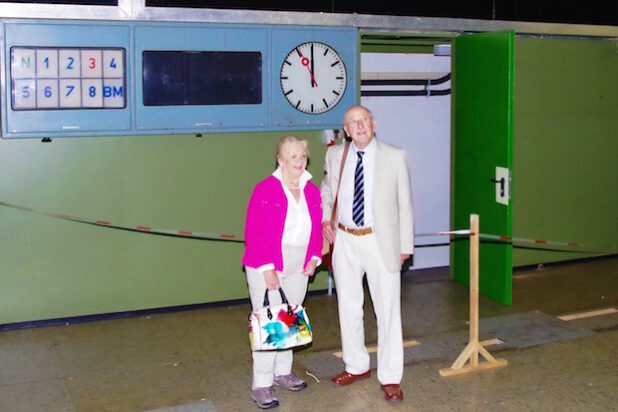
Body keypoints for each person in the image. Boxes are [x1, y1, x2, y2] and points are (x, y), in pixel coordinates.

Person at [321, 105, 414, 402]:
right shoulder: (336, 156)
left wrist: (405, 246)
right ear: (346, 130)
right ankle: (356, 365)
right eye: (353, 122)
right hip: (345, 240)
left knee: (387, 310)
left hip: (379, 241)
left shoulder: (394, 155)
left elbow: (405, 205)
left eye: (364, 120)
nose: (360, 125)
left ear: (373, 123)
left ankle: (390, 377)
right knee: (348, 307)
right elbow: (327, 190)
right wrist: (326, 219)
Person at [242, 136, 323, 409]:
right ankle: (262, 384)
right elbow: (255, 232)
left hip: (299, 263)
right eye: (293, 157)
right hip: (267, 262)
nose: (299, 162)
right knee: (271, 323)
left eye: (302, 156)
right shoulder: (265, 189)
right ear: (280, 159)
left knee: (290, 319)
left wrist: (314, 258)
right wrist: (267, 269)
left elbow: (316, 229)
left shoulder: (311, 190)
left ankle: (283, 372)